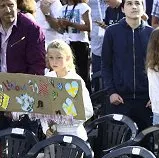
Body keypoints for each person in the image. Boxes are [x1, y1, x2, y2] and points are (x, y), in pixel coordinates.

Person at [102, 0, 153, 130]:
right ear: (123, 9)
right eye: (129, 3)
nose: (134, 7)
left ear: (143, 8)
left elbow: (157, 68)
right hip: (120, 99)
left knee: (145, 145)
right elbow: (106, 65)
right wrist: (111, 92)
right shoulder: (112, 32)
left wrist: (155, 96)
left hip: (146, 101)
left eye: (137, 3)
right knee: (119, 143)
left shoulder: (152, 33)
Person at [0, 0, 46, 130]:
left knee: (24, 145)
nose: (8, 10)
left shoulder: (31, 28)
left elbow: (37, 68)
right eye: (2, 6)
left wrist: (17, 102)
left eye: (11, 5)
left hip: (23, 97)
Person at [41, 39, 93, 140]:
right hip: (52, 137)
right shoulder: (47, 78)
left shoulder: (75, 80)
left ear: (68, 58)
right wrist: (46, 128)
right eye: (51, 58)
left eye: (59, 58)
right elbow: (42, 108)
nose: (54, 62)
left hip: (74, 136)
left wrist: (66, 118)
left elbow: (88, 110)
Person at [57, 0, 91, 88]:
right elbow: (60, 30)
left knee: (83, 73)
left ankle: (86, 95)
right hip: (67, 43)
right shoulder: (62, 8)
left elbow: (88, 27)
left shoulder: (83, 7)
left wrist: (71, 24)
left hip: (81, 44)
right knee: (68, 72)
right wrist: (61, 25)